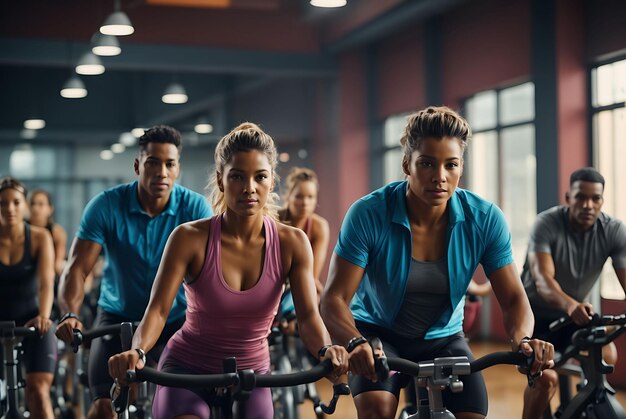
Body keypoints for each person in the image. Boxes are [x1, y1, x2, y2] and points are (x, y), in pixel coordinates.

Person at [320, 106, 555, 419]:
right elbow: (334, 299)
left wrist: (523, 340)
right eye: (427, 163)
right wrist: (355, 342)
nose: (440, 177)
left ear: (461, 168)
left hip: (443, 340)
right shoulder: (368, 214)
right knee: (377, 410)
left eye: (451, 165)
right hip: (379, 337)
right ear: (407, 163)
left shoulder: (484, 219)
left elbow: (513, 299)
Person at [108, 122, 349, 419]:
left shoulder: (293, 243)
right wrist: (139, 351)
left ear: (272, 181)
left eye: (260, 177)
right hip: (187, 371)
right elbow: (157, 310)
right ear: (221, 180)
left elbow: (309, 316)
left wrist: (326, 350)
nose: (249, 187)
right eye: (237, 176)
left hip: (252, 375)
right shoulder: (188, 238)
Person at [55, 125, 213, 418]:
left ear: (178, 169)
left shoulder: (196, 208)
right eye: (153, 162)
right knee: (103, 406)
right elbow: (77, 269)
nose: (161, 172)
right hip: (118, 318)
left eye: (170, 164)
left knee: (183, 409)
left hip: (175, 320)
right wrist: (70, 314)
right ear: (138, 165)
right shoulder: (105, 205)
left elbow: (213, 274)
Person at [521, 167, 626, 418]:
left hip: (573, 317)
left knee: (607, 356)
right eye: (580, 197)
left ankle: (580, 408)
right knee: (545, 380)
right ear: (568, 198)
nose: (588, 205)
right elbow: (542, 281)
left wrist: (572, 309)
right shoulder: (546, 223)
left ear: (602, 200)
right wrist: (570, 305)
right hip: (535, 318)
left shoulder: (613, 230)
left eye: (595, 198)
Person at [0, 177, 57, 419]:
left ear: (24, 205)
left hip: (32, 322)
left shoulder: (40, 237)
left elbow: (46, 283)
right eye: (3, 203)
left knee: (39, 392)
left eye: (15, 202)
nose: (10, 209)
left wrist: (43, 316)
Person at [29, 189, 68, 277]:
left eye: (41, 204)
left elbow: (57, 264)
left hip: (50, 275)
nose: (35, 208)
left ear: (50, 209)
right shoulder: (22, 230)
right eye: (32, 204)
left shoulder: (57, 233)